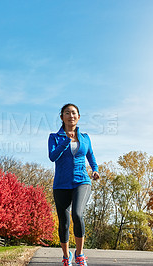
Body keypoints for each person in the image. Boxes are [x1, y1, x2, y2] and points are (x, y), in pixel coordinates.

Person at [48, 103, 100, 266]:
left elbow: (90, 155)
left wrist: (95, 169)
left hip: (81, 181)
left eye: (74, 113)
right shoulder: (54, 137)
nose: (71, 115)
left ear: (78, 117)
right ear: (62, 117)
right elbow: (52, 157)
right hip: (61, 184)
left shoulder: (85, 137)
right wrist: (65, 142)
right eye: (67, 113)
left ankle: (80, 254)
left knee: (77, 214)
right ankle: (66, 255)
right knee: (63, 221)